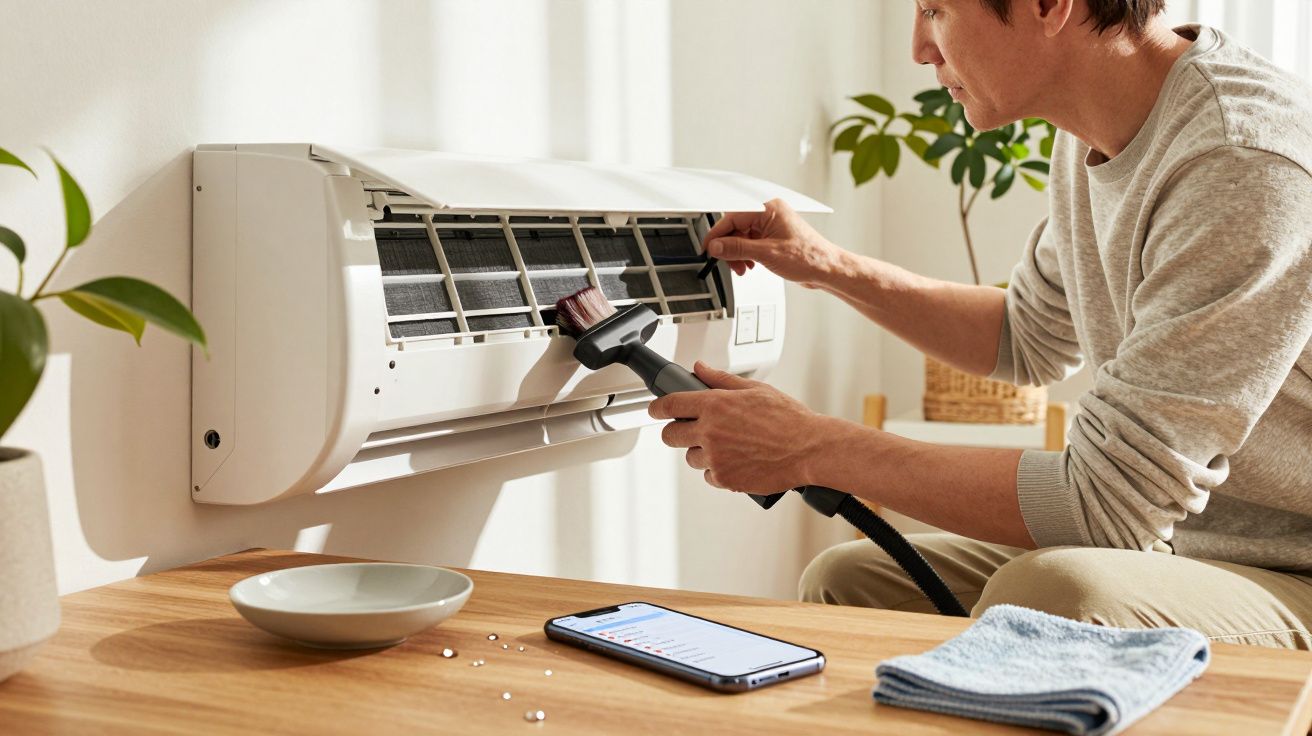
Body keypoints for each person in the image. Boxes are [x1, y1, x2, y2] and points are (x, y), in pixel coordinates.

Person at [647, 0, 1312, 650]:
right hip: (1190, 546)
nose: (920, 48)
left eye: (935, 9)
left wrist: (808, 446)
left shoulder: (1240, 160)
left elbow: (1107, 502)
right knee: (849, 581)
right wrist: (825, 265)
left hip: (1294, 568)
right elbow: (1026, 337)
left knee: (1048, 592)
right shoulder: (1096, 131)